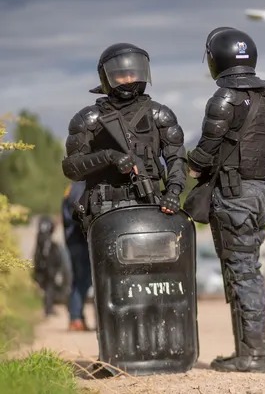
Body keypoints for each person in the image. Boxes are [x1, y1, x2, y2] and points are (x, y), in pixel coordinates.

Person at [186, 26, 265, 373]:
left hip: (235, 194)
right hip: (262, 191)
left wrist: (192, 166)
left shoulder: (224, 97)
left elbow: (206, 152)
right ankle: (259, 348)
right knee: (249, 270)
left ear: (216, 60)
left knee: (241, 273)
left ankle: (251, 355)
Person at [61, 42, 187, 225]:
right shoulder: (89, 119)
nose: (128, 79)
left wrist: (173, 192)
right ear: (107, 77)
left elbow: (177, 157)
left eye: (133, 73)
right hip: (103, 210)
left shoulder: (159, 115)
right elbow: (71, 168)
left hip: (151, 203)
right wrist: (109, 157)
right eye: (121, 75)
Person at [62, 181, 93, 331]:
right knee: (83, 279)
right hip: (80, 240)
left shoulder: (73, 186)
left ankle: (77, 317)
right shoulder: (80, 187)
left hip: (73, 240)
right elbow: (77, 214)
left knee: (79, 279)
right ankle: (76, 319)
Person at [32, 215, 64, 317]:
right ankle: (48, 309)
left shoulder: (41, 237)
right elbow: (44, 253)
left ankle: (48, 307)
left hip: (44, 264)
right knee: (49, 286)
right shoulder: (46, 240)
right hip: (47, 265)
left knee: (48, 287)